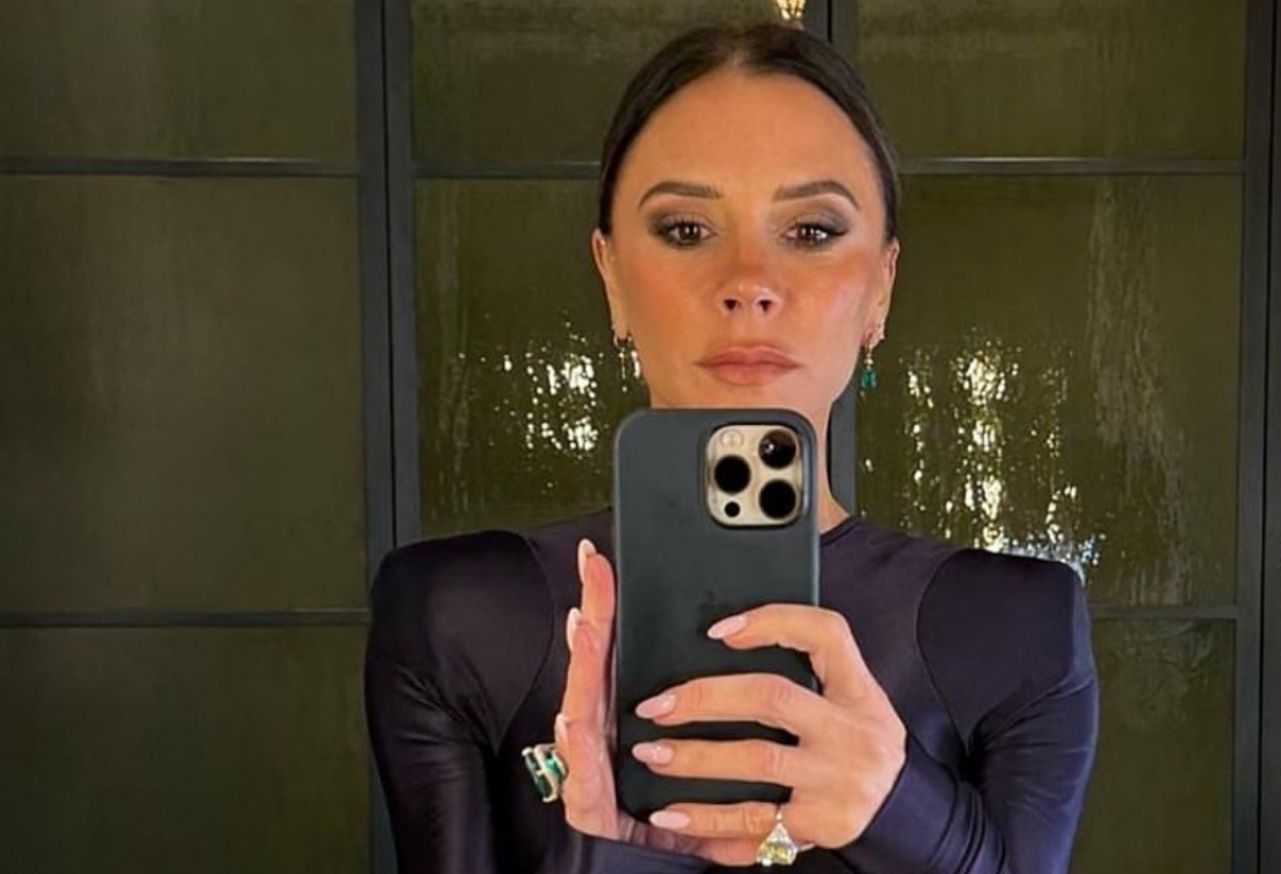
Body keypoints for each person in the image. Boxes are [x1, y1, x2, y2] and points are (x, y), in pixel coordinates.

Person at [365, 21, 1098, 873]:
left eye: (811, 231)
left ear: (881, 290)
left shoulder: (1014, 628)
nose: (749, 283)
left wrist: (900, 806)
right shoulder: (460, 616)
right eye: (685, 229)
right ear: (611, 275)